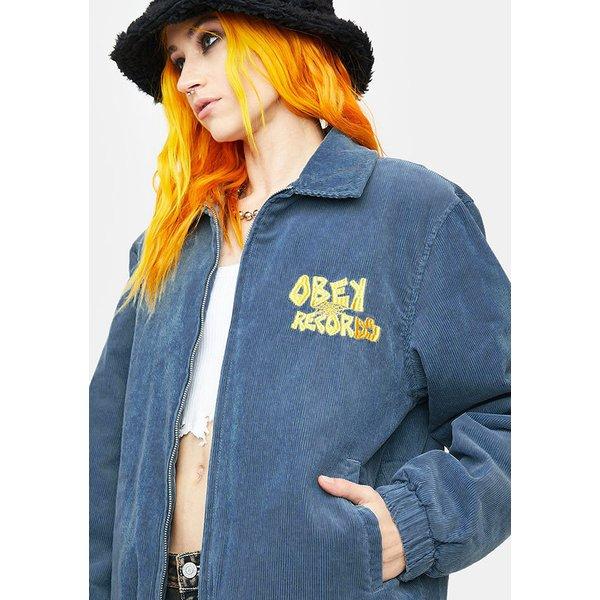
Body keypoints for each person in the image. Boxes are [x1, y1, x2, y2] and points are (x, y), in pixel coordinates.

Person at [90, 1, 511, 599]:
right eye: (178, 59)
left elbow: (510, 415)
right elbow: (103, 452)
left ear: (286, 38)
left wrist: (416, 522)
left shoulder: (413, 217)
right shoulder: (166, 246)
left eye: (209, 41)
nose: (185, 80)